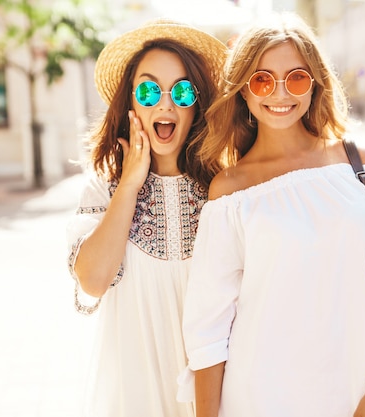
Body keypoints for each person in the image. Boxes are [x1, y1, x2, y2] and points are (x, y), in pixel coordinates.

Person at [178, 12, 365, 417]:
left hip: (354, 390)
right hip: (258, 396)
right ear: (243, 89)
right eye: (262, 79)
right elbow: (209, 325)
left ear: (315, 85)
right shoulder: (231, 191)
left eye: (296, 78)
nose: (279, 93)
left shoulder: (358, 168)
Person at [66, 19, 227, 417]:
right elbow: (93, 280)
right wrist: (130, 185)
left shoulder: (225, 186)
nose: (165, 104)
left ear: (199, 104)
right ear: (131, 103)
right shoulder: (105, 188)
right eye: (150, 89)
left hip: (218, 391)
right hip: (135, 393)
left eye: (183, 90)